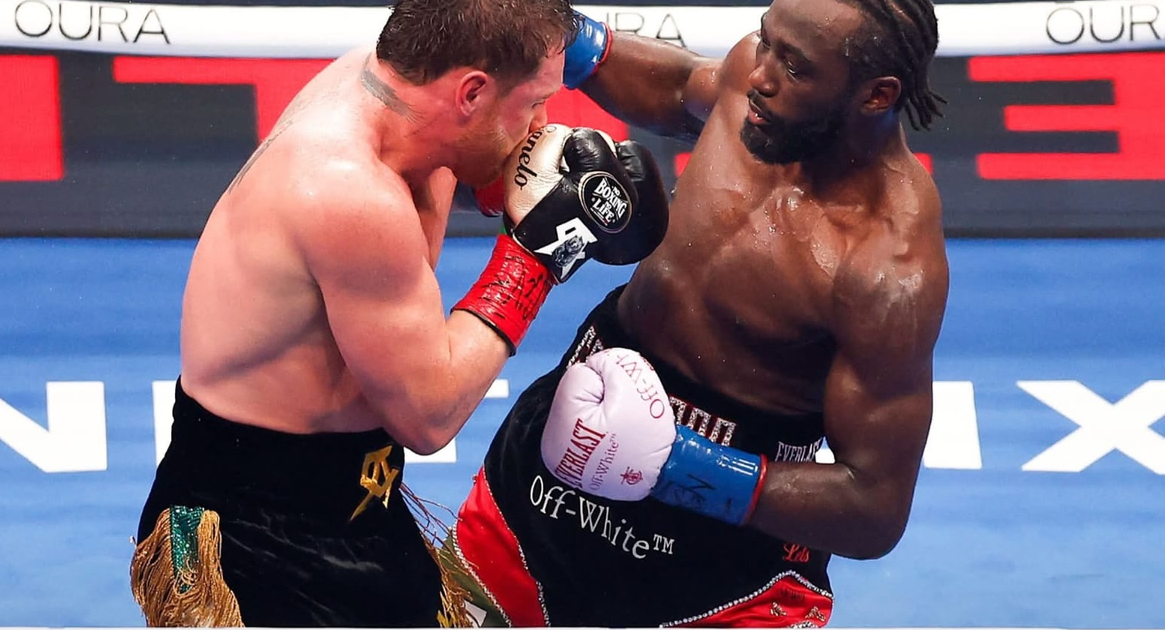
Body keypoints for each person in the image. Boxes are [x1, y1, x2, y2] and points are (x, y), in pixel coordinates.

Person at [128, 0, 669, 626]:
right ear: (471, 91)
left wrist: (527, 183)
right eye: (532, 104)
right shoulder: (348, 190)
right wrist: (539, 254)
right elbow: (429, 414)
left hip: (363, 503)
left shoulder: (388, 96)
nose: (543, 124)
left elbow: (455, 171)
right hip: (256, 534)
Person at [447, 0, 951, 625]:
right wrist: (555, 31)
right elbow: (682, 86)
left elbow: (875, 508)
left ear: (876, 96)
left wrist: (675, 464)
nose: (759, 72)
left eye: (794, 67)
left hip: (722, 568)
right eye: (764, 42)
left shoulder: (887, 269)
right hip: (552, 474)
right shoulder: (758, 81)